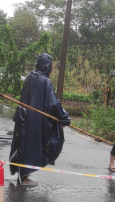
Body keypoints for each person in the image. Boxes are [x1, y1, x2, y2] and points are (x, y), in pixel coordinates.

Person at [9, 53, 71, 186]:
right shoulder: (45, 81)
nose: (53, 67)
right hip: (34, 121)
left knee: (23, 146)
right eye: (52, 64)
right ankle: (24, 179)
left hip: (23, 118)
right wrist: (64, 117)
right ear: (47, 65)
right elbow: (53, 104)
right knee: (32, 147)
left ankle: (23, 176)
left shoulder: (30, 76)